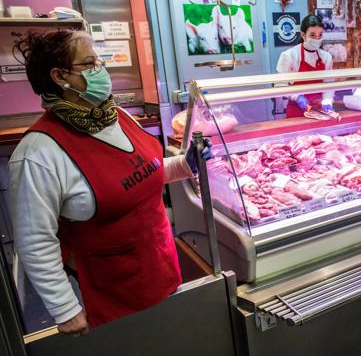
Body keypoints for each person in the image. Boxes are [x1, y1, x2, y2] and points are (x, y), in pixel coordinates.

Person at [8, 30, 211, 336]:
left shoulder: (116, 116)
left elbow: (142, 175)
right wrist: (65, 309)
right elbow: (35, 241)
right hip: (110, 294)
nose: (102, 70)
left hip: (162, 267)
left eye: (99, 61)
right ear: (60, 76)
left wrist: (184, 164)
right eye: (90, 64)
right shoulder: (39, 153)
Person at [276, 14, 335, 118]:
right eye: (312, 35)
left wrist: (327, 101)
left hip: (319, 111)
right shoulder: (289, 55)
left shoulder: (326, 57)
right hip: (296, 111)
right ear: (303, 35)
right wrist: (297, 97)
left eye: (320, 35)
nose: (317, 39)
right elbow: (280, 85)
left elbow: (329, 84)